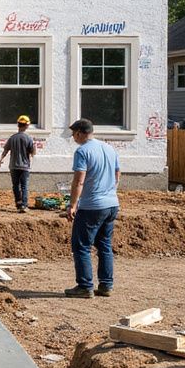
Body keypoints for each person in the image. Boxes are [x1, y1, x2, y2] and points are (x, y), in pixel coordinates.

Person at [64, 118, 120, 299]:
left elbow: (79, 180)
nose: (73, 137)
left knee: (81, 246)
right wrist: (110, 191)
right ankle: (106, 285)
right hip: (111, 204)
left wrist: (72, 205)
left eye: (73, 134)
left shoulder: (82, 151)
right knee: (104, 245)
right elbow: (117, 173)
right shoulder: (110, 149)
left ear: (80, 133)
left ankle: (85, 286)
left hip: (92, 206)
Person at [0, 115, 37, 212]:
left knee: (15, 185)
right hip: (24, 166)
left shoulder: (12, 138)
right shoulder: (28, 138)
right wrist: (34, 147)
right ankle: (24, 205)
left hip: (13, 166)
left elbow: (5, 150)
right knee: (24, 186)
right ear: (26, 126)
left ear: (18, 125)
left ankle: (18, 204)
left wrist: (1, 159)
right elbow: (33, 153)